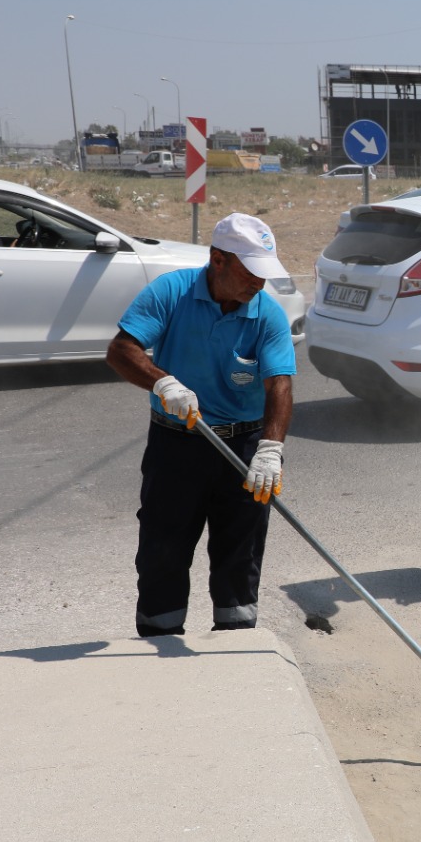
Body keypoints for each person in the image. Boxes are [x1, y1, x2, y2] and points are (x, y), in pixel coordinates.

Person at [105, 213, 296, 637]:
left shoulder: (267, 314)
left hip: (243, 445)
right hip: (177, 444)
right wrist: (163, 382)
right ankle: (160, 638)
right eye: (250, 272)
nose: (258, 284)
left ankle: (234, 643)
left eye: (264, 275)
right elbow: (121, 350)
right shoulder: (171, 293)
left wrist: (271, 448)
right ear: (218, 260)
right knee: (163, 549)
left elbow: (279, 385)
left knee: (240, 553)